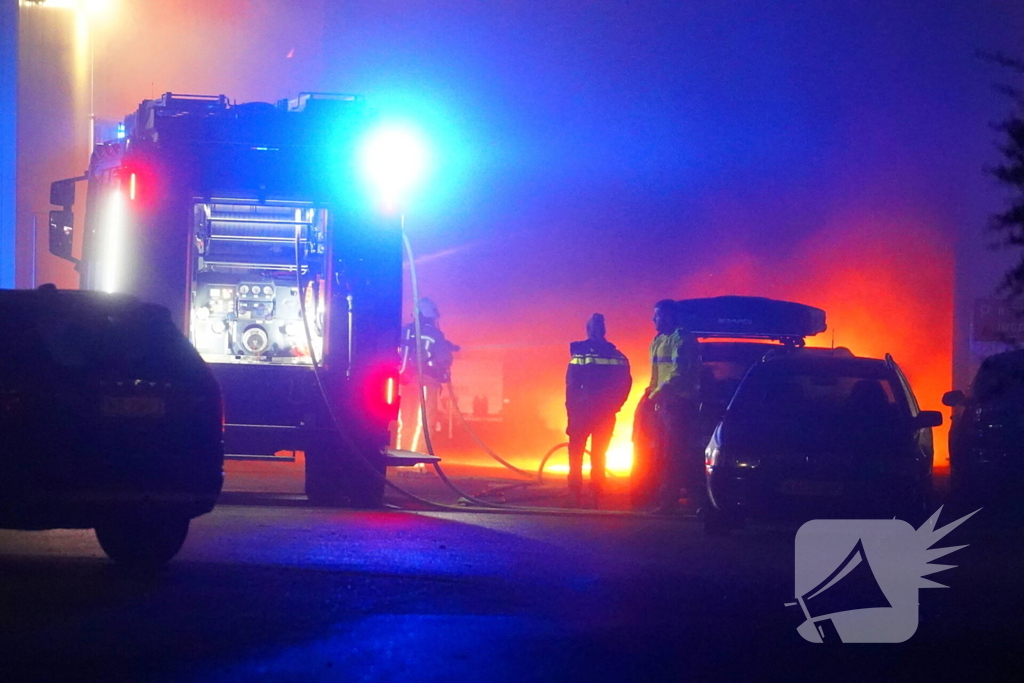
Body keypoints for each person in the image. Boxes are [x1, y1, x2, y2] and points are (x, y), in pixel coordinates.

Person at [631, 299, 702, 512]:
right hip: (663, 405)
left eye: (658, 315)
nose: (653, 319)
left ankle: (671, 501)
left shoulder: (682, 339)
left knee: (673, 453)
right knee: (662, 453)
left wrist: (655, 395)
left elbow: (678, 373)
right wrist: (649, 394)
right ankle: (661, 497)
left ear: (669, 316)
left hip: (678, 404)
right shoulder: (658, 340)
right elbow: (656, 375)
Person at [565, 313, 632, 508]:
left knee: (576, 452)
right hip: (604, 413)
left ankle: (575, 495)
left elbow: (571, 385)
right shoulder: (618, 356)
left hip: (582, 412)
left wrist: (572, 410)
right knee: (599, 454)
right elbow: (625, 385)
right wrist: (614, 407)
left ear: (588, 330)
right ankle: (595, 494)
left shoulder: (580, 354)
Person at [396, 298, 460, 453]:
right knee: (423, 422)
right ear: (430, 315)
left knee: (406, 421)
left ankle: (401, 457)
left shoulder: (405, 331)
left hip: (406, 382)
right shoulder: (435, 334)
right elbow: (443, 358)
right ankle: (415, 460)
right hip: (427, 382)